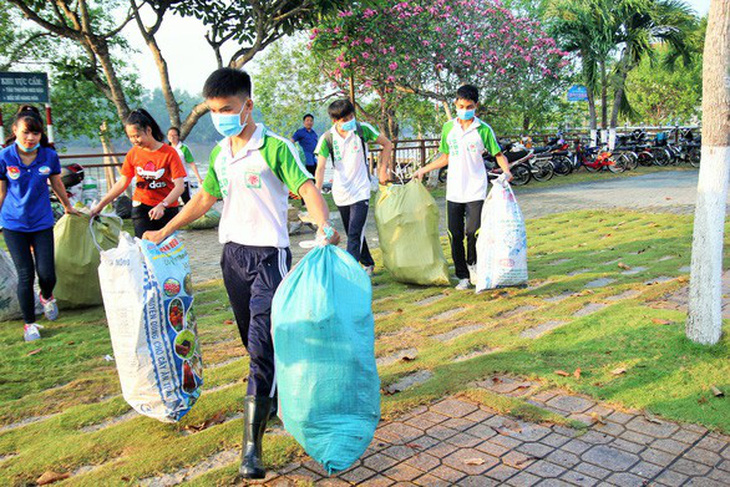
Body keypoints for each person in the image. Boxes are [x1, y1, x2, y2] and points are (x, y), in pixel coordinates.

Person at [142, 68, 339, 480]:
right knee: (255, 347)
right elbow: (204, 199)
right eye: (214, 111)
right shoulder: (220, 153)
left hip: (270, 257)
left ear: (247, 106)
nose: (221, 117)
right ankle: (281, 398)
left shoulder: (275, 147)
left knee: (261, 349)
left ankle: (251, 447)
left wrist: (323, 225)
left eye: (227, 109)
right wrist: (164, 229)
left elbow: (306, 189)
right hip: (231, 257)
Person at [414, 84, 512, 290]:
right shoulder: (448, 128)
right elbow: (445, 157)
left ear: (476, 105)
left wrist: (507, 172)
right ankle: (462, 277)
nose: (464, 110)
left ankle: (474, 265)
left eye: (468, 106)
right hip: (454, 191)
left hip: (476, 189)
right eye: (460, 106)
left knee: (473, 232)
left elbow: (498, 154)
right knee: (454, 234)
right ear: (455, 104)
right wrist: (423, 169)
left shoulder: (483, 129)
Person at [0, 105, 79, 341]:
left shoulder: (49, 156)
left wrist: (68, 206)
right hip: (14, 224)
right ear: (15, 130)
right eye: (26, 132)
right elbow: (1, 192)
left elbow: (57, 183)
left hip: (42, 222)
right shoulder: (4, 157)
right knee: (26, 274)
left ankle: (46, 295)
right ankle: (30, 324)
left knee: (47, 273)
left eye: (35, 133)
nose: (31, 137)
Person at [314, 99, 393, 276]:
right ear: (335, 121)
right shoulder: (327, 138)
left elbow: (387, 144)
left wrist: (382, 170)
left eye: (351, 116)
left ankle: (350, 274)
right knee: (353, 233)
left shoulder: (362, 129)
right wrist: (316, 193)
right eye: (345, 119)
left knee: (355, 232)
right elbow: (320, 168)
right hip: (341, 193)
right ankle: (368, 262)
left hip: (361, 190)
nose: (350, 121)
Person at [91, 109, 186, 238]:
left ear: (148, 130)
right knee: (143, 247)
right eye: (130, 137)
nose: (134, 140)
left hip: (167, 208)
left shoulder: (169, 153)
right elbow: (123, 182)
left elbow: (179, 187)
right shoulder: (133, 153)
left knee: (167, 250)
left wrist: (162, 205)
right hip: (141, 207)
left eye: (137, 136)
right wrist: (101, 205)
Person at [167, 127, 203, 204]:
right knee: (171, 200)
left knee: (186, 199)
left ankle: (192, 214)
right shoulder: (166, 149)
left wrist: (199, 178)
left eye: (174, 135)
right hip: (170, 179)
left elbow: (192, 163)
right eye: (170, 135)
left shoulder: (184, 148)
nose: (172, 137)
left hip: (183, 178)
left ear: (178, 136)